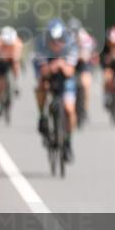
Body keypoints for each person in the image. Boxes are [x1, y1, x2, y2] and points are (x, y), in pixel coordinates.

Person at [33, 18, 79, 159]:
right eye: (53, 40)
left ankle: (68, 141)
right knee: (41, 86)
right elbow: (43, 71)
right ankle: (42, 116)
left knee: (69, 110)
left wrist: (60, 64)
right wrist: (54, 66)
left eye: (59, 39)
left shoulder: (71, 45)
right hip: (48, 75)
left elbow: (70, 71)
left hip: (66, 80)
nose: (56, 43)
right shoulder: (41, 46)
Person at [69, 19, 98, 125]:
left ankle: (84, 110)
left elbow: (85, 57)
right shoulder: (64, 37)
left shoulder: (85, 38)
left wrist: (78, 56)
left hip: (83, 64)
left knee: (85, 84)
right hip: (70, 63)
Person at [0, 26, 23, 115]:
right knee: (0, 84)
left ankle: (16, 82)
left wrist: (14, 58)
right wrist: (1, 57)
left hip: (12, 59)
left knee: (16, 64)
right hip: (2, 61)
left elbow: (17, 56)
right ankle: (0, 104)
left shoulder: (18, 43)